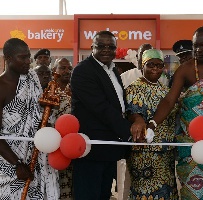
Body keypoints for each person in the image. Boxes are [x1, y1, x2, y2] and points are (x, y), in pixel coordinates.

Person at [134, 26, 203, 199]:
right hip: (192, 144)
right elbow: (169, 100)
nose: (199, 50)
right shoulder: (185, 69)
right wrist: (152, 124)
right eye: (196, 46)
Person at [70, 30, 132, 200]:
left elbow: (119, 105)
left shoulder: (113, 70)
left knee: (104, 195)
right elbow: (101, 108)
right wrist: (130, 131)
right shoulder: (82, 71)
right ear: (92, 47)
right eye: (101, 46)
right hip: (91, 149)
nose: (106, 50)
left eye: (111, 47)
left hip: (109, 148)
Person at [0, 38, 59, 199]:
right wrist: (17, 164)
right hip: (9, 164)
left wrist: (48, 109)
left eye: (29, 57)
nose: (28, 62)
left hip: (37, 157)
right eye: (23, 57)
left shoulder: (31, 79)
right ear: (8, 58)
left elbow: (37, 113)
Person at [126, 49, 178, 199]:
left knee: (166, 192)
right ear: (142, 66)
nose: (155, 68)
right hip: (144, 154)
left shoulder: (166, 90)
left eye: (159, 65)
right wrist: (138, 119)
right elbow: (133, 113)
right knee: (145, 193)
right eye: (150, 65)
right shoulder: (134, 88)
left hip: (165, 153)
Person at [117, 43, 153, 200]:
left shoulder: (161, 77)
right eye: (141, 56)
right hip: (130, 135)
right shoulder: (126, 77)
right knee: (127, 177)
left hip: (153, 138)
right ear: (137, 58)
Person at [52, 57, 73, 200]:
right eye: (62, 68)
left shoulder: (75, 91)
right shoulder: (49, 92)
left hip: (72, 146)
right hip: (54, 146)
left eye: (69, 69)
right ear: (54, 70)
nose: (66, 71)